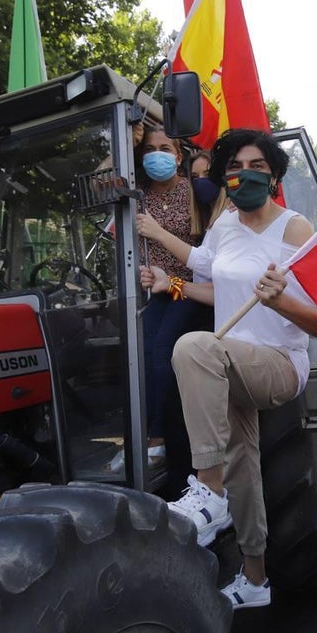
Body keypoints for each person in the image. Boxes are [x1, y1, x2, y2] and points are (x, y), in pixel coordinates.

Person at [139, 128, 317, 610]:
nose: (244, 173)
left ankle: (207, 488)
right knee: (244, 473)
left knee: (190, 347)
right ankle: (254, 579)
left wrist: (281, 300)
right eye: (236, 166)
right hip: (230, 364)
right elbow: (210, 283)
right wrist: (173, 284)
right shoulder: (224, 225)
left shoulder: (295, 230)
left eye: (258, 167)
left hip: (278, 365)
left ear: (273, 177)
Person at [110, 124, 203, 474]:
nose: (157, 155)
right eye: (149, 149)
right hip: (155, 290)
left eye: (165, 149)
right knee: (140, 356)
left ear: (178, 157)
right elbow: (100, 186)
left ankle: (162, 439)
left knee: (164, 353)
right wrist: (124, 136)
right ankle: (142, 440)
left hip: (190, 289)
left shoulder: (195, 194)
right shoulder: (139, 194)